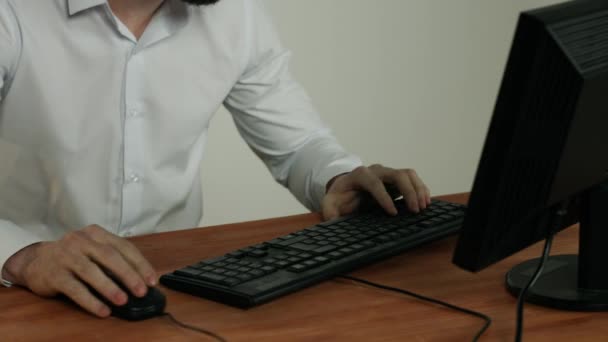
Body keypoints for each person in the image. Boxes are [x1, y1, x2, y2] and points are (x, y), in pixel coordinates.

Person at [0, 0, 430, 318]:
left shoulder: (234, 13)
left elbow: (298, 144)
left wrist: (338, 178)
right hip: (22, 294)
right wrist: (24, 256)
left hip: (171, 288)